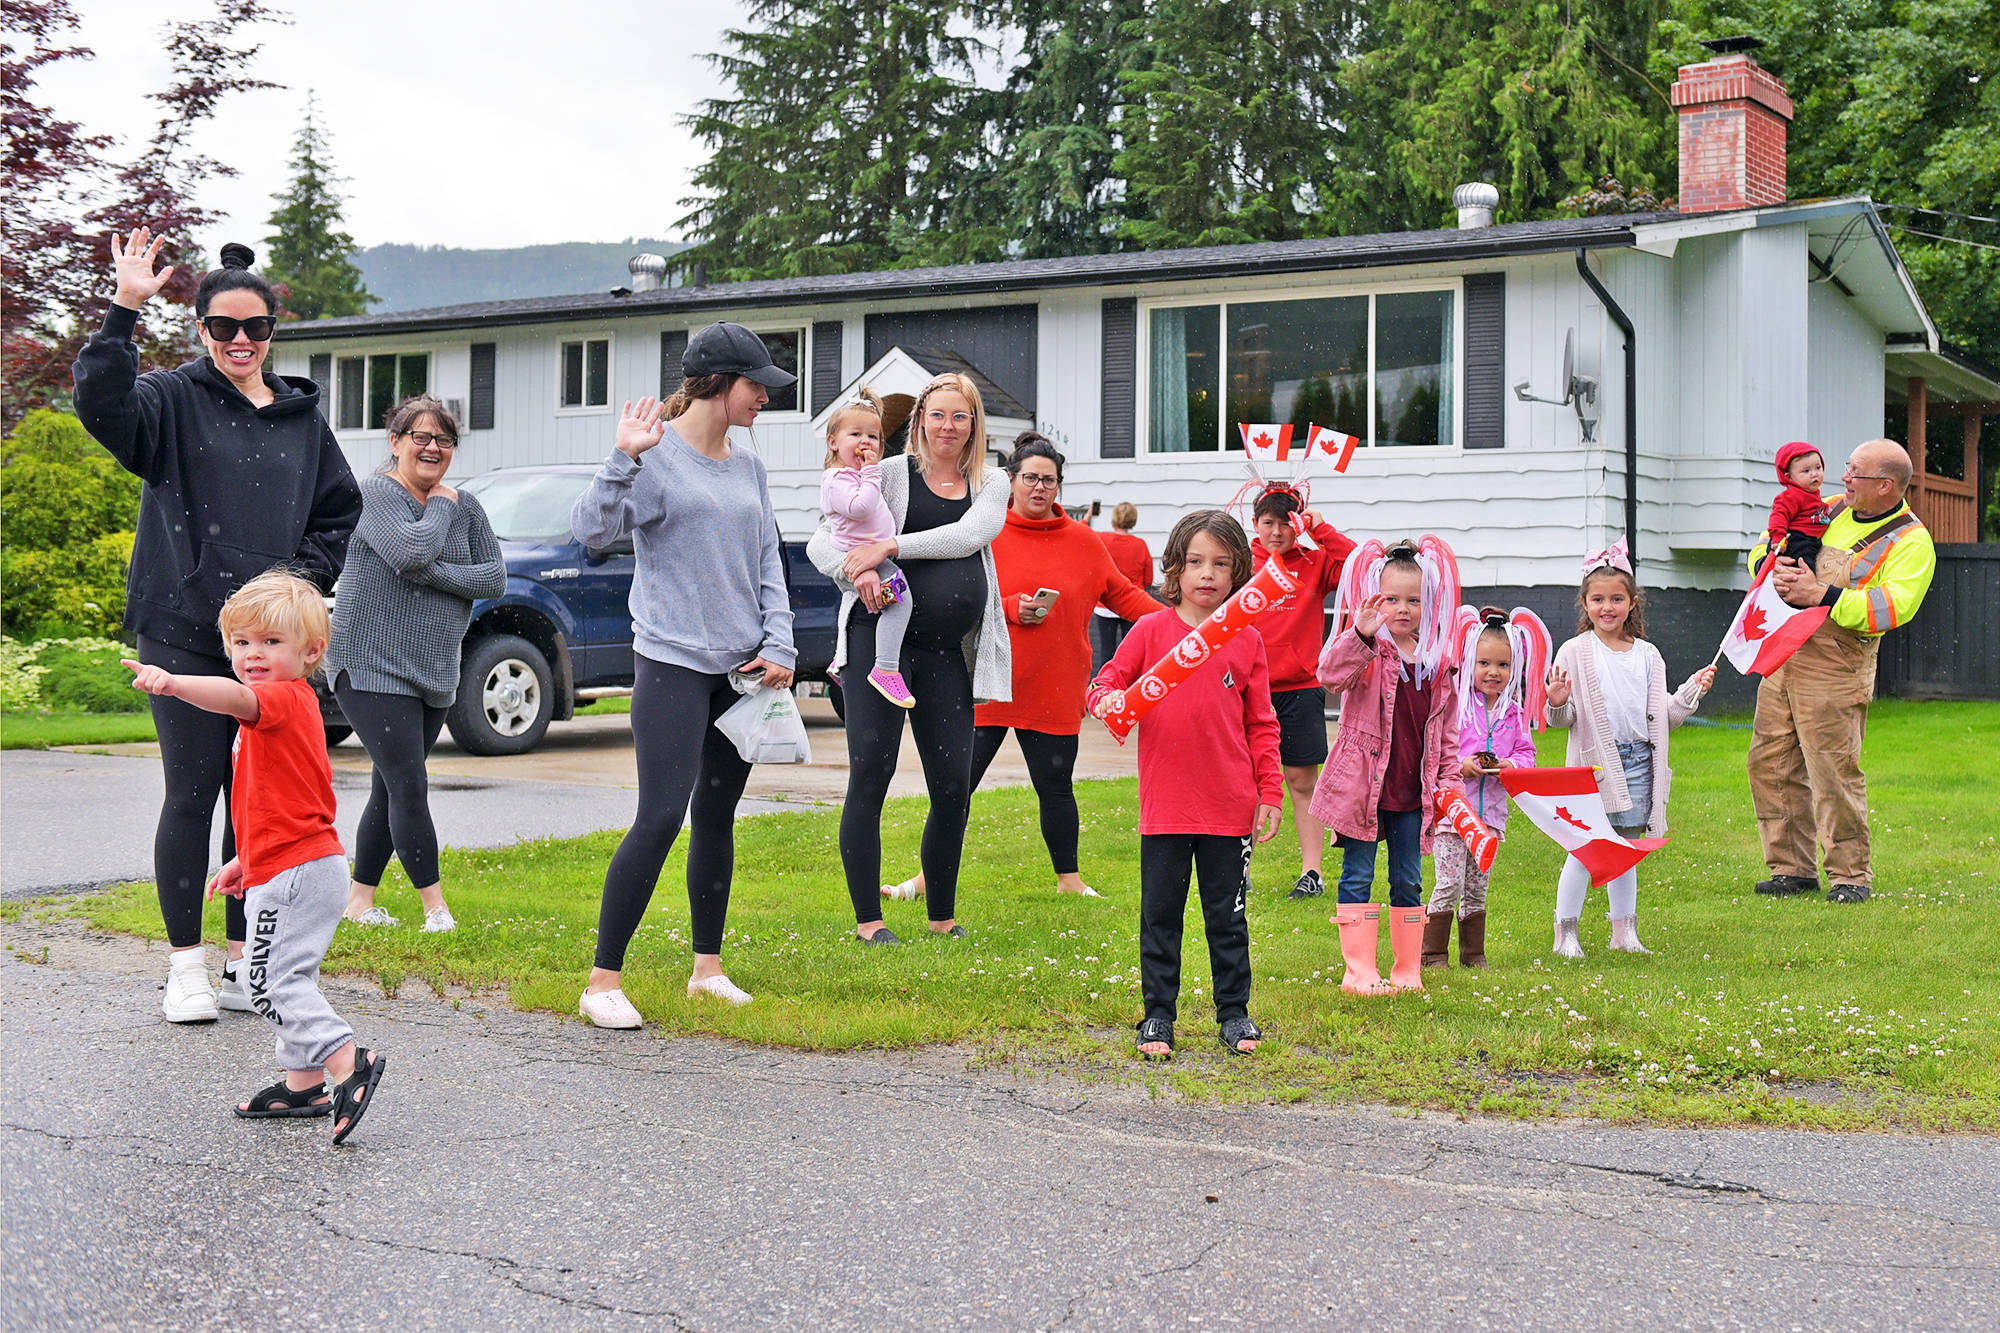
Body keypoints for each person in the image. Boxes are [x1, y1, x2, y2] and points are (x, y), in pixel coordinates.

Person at [72, 230, 361, 1024]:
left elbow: (340, 512)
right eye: (223, 327)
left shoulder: (303, 418)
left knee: (257, 806)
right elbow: (101, 404)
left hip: (269, 645)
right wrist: (124, 308)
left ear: (273, 331)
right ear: (201, 329)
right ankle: (185, 966)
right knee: (193, 793)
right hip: (184, 625)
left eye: (255, 327)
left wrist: (292, 587)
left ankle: (247, 962)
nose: (239, 340)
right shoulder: (168, 400)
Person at [571, 322, 797, 1027]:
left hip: (743, 670)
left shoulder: (750, 466)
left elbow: (768, 561)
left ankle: (708, 969)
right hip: (669, 661)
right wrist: (621, 459)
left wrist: (781, 646)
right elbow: (593, 533)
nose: (765, 396)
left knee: (718, 818)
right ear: (716, 383)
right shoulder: (656, 457)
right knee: (662, 814)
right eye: (755, 384)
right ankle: (602, 979)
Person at [123, 572, 386, 1145]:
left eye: (270, 642)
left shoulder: (278, 699)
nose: (253, 655)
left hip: (299, 871)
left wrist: (173, 684)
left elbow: (235, 697)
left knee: (265, 978)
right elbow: (278, 796)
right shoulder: (288, 707)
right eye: (242, 643)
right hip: (293, 862)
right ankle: (303, 1083)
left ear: (311, 652)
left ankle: (346, 1061)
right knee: (290, 974)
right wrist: (247, 857)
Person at [887, 435, 1159, 902]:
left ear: (1059, 486)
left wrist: (1183, 621)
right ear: (1010, 480)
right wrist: (1011, 607)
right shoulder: (983, 531)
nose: (1039, 487)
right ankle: (926, 880)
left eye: (1048, 480)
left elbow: (1124, 596)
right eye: (1030, 477)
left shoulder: (1084, 540)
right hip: (987, 683)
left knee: (1056, 785)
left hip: (1055, 684)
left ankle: (1069, 881)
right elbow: (960, 596)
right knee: (956, 788)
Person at [807, 373, 1011, 944]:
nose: (948, 427)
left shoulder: (991, 484)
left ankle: (941, 916)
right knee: (871, 775)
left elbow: (970, 535)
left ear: (975, 425)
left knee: (952, 786)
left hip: (948, 656)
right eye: (938, 415)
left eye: (960, 416)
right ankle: (869, 924)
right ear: (920, 419)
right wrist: (860, 567)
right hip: (879, 650)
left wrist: (891, 545)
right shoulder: (889, 473)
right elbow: (822, 540)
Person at [1087, 510, 1281, 1059]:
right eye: (1195, 561)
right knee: (1161, 916)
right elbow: (1106, 683)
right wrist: (1106, 700)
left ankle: (1235, 1014)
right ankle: (1158, 1017)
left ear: (1239, 571)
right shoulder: (1150, 632)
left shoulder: (1245, 641)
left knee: (1228, 917)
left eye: (1221, 564)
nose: (1207, 574)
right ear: (1175, 567)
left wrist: (1269, 792)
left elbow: (1262, 723)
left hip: (1229, 807)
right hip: (1166, 808)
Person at [325, 396, 505, 932]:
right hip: (369, 661)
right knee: (409, 782)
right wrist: (441, 510)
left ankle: (359, 901)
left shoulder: (467, 505)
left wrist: (430, 570)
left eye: (443, 440)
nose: (431, 447)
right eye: (419, 437)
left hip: (432, 668)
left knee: (390, 783)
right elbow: (408, 552)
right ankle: (435, 908)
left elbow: (493, 578)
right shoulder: (377, 493)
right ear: (395, 443)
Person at [1749, 438, 1936, 904]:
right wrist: (1773, 571)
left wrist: (1823, 596)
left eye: (1855, 473)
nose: (1843, 479)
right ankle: (1791, 870)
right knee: (1769, 761)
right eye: (1846, 468)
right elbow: (1759, 548)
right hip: (1785, 649)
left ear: (1886, 485)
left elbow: (1892, 607)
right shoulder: (1825, 507)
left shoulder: (1911, 541)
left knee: (1833, 770)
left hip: (1838, 662)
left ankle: (1851, 876)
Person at [1545, 540, 1716, 957]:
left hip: (1640, 764)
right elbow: (1561, 722)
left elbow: (1665, 718)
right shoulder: (1575, 651)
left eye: (1617, 599)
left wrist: (1692, 691)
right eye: (1598, 599)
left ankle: (1624, 933)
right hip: (1596, 767)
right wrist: (1557, 699)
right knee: (1586, 849)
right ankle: (1565, 933)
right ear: (1584, 603)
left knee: (1625, 849)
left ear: (1632, 603)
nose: (1608, 607)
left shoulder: (1649, 656)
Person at [1312, 539, 1463, 996]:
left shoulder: (1437, 663)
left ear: (1428, 603)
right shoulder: (1368, 650)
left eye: (1413, 600)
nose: (1402, 609)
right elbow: (1328, 674)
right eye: (1391, 598)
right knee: (1357, 873)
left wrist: (1450, 785)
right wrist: (1357, 632)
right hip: (1364, 789)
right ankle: (1358, 972)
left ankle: (1406, 971)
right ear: (1375, 598)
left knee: (1409, 879)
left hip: (1411, 794)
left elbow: (1448, 735)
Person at [1246, 487, 1357, 900]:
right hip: (1247, 687)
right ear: (1255, 523)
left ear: (1298, 522)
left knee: (1301, 778)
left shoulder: (1314, 561)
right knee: (1247, 780)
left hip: (1301, 686)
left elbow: (1359, 565)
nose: (1277, 532)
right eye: (1268, 522)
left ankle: (1312, 872)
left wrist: (1320, 528)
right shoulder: (1242, 563)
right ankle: (1242, 868)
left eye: (1285, 522)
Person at [1426, 609, 1545, 969]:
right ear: (1468, 662)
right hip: (1453, 816)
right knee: (1449, 882)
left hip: (1490, 817)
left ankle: (1473, 954)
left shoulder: (1515, 713)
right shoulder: (1455, 706)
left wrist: (1511, 765)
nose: (1494, 672)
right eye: (1484, 663)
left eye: (1503, 665)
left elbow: (1528, 754)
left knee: (1477, 888)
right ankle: (1431, 953)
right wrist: (1462, 766)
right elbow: (1437, 751)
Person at [820, 388, 917, 708]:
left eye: (873, 436)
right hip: (862, 555)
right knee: (900, 601)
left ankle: (838, 662)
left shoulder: (854, 474)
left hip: (872, 553)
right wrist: (873, 471)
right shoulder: (837, 479)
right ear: (833, 441)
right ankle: (886, 667)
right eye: (855, 434)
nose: (866, 442)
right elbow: (860, 507)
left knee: (879, 603)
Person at [1092, 502, 1154, 672]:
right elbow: (1149, 578)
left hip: (1105, 605)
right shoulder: (1140, 545)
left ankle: (1101, 689)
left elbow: (1078, 534)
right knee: (1131, 652)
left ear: (1114, 519)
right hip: (1133, 604)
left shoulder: (1102, 539)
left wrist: (1090, 515)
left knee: (1106, 651)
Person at [1761, 441, 1833, 574]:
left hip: (1811, 541)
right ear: (1789, 477)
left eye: (1818, 467)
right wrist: (1778, 538)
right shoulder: (1791, 496)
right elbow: (1779, 516)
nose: (1814, 474)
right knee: (1804, 570)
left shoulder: (1813, 494)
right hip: (1795, 541)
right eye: (1806, 471)